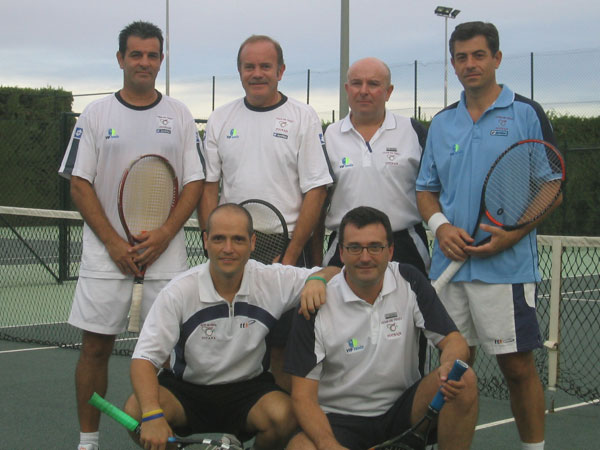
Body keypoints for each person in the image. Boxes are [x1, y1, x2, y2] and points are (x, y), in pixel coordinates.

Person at [58, 21, 205, 450]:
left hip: (166, 258)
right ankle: (88, 441)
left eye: (152, 55)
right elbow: (79, 184)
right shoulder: (96, 114)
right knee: (95, 351)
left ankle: (160, 435)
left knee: (165, 356)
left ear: (161, 60)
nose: (144, 62)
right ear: (121, 59)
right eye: (136, 55)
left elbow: (194, 183)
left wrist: (161, 236)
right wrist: (113, 243)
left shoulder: (178, 114)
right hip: (106, 259)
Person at [415, 22, 560, 450]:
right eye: (461, 57)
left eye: (478, 55)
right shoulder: (442, 123)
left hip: (506, 269)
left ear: (496, 58)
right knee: (455, 369)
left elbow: (550, 184)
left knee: (517, 368)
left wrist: (514, 233)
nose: (470, 64)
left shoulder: (526, 113)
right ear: (453, 63)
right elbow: (426, 189)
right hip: (451, 269)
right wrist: (440, 228)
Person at [124, 203, 339, 450]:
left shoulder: (271, 280)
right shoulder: (178, 291)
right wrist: (152, 415)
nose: (228, 249)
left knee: (288, 416)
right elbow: (143, 359)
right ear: (205, 241)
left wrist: (318, 279)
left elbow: (335, 272)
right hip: (186, 392)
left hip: (248, 391)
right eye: (219, 239)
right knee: (136, 412)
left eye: (238, 239)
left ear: (252, 242)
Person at [199, 34, 333, 390]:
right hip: (235, 247)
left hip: (286, 246)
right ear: (240, 71)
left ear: (281, 70)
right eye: (249, 66)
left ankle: (284, 433)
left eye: (265, 66)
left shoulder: (303, 117)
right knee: (235, 343)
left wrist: (289, 257)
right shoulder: (220, 118)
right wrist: (214, 243)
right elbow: (209, 187)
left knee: (284, 350)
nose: (257, 73)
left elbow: (315, 191)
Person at [285, 206, 478, 450]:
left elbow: (454, 341)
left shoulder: (410, 279)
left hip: (403, 410)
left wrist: (450, 362)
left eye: (375, 247)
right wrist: (328, 445)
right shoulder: (314, 303)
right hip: (338, 420)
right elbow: (302, 397)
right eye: (355, 248)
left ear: (390, 250)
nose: (365, 257)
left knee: (464, 379)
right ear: (341, 253)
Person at [321, 57, 430, 275]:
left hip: (405, 245)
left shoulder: (412, 131)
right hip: (345, 247)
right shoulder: (328, 135)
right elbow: (318, 200)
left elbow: (433, 190)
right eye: (356, 83)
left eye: (373, 84)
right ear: (346, 89)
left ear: (388, 91)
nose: (363, 91)